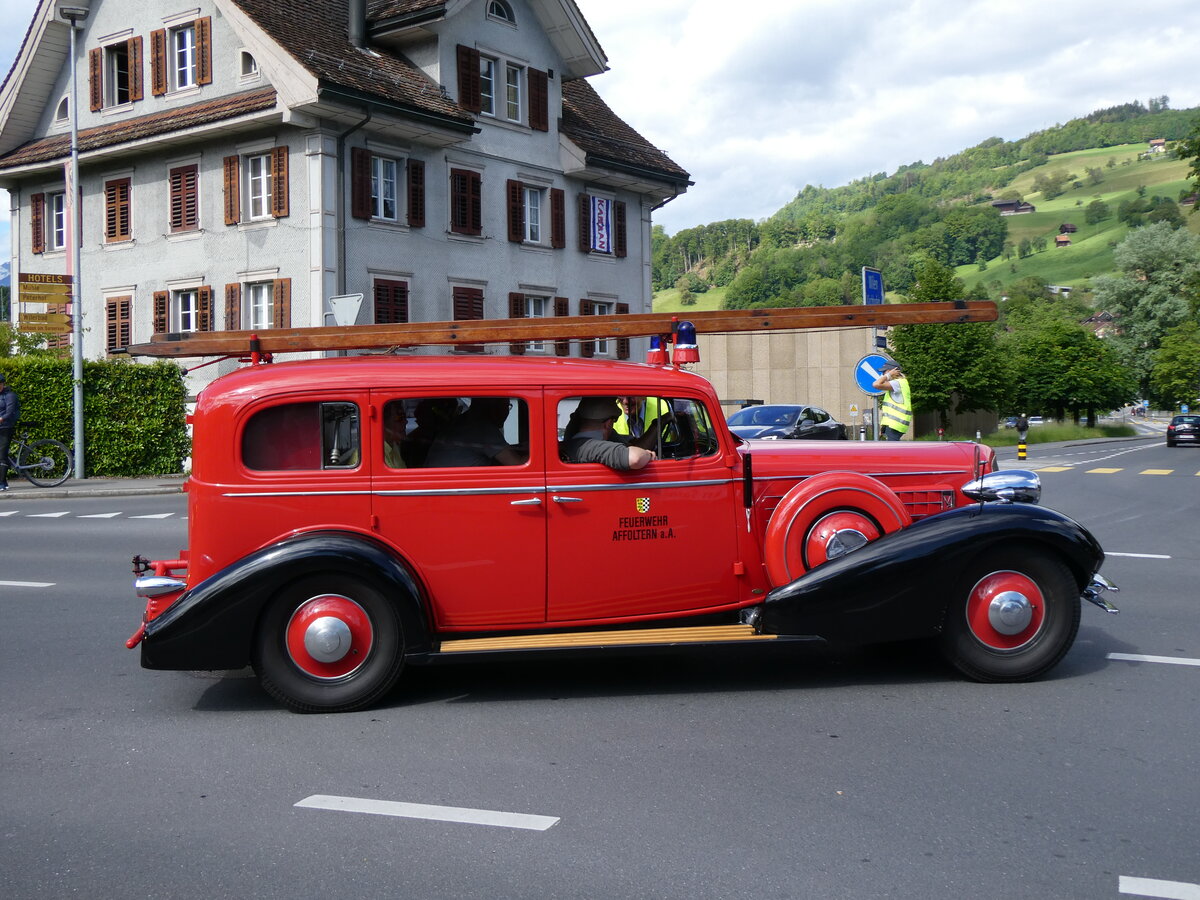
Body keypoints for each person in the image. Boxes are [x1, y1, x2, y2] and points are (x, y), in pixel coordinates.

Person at [561, 396, 662, 470]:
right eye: (614, 421)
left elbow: (628, 443)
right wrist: (647, 454)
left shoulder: (571, 441)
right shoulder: (592, 447)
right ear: (608, 424)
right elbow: (635, 458)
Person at [424, 397, 526, 467]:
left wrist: (523, 446)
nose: (507, 412)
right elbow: (518, 464)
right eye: (506, 406)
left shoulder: (464, 421)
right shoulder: (483, 428)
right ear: (493, 406)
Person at [872, 361, 911, 441]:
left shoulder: (898, 383)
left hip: (895, 425)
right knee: (889, 451)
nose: (883, 374)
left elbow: (876, 384)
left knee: (891, 451)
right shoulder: (899, 383)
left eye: (884, 371)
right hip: (893, 425)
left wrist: (888, 375)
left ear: (893, 371)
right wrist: (883, 427)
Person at [0, 372, 18, 491]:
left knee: (2, 455)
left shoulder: (10, 395)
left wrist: (1, 419)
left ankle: (1, 483)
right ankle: (4, 482)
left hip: (6, 427)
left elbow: (10, 411)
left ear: (3, 384)